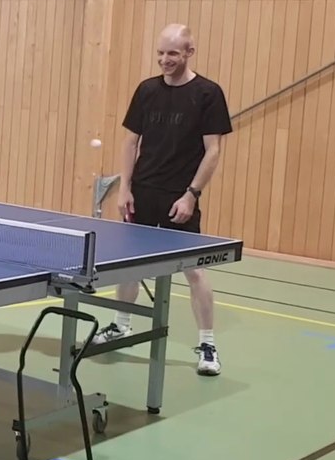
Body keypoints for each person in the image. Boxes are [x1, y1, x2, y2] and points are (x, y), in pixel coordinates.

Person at [91, 23, 233, 376]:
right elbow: (130, 142)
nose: (165, 60)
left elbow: (212, 150)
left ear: (189, 52)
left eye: (172, 53)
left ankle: (208, 344)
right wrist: (125, 188)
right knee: (129, 263)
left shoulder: (207, 93)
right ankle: (121, 323)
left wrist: (191, 194)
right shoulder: (147, 90)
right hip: (143, 192)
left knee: (194, 270)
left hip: (178, 197)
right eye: (160, 53)